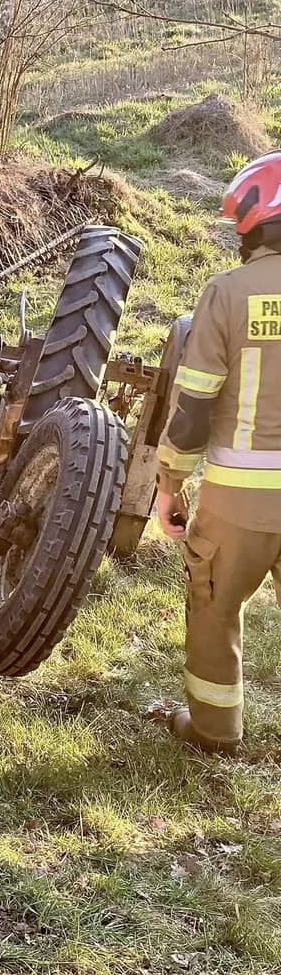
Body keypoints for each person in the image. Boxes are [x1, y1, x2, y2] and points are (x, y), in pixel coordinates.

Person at [156, 150, 281, 753]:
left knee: (213, 607)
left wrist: (169, 484)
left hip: (238, 504)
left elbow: (194, 408)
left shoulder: (228, 294)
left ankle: (214, 729)